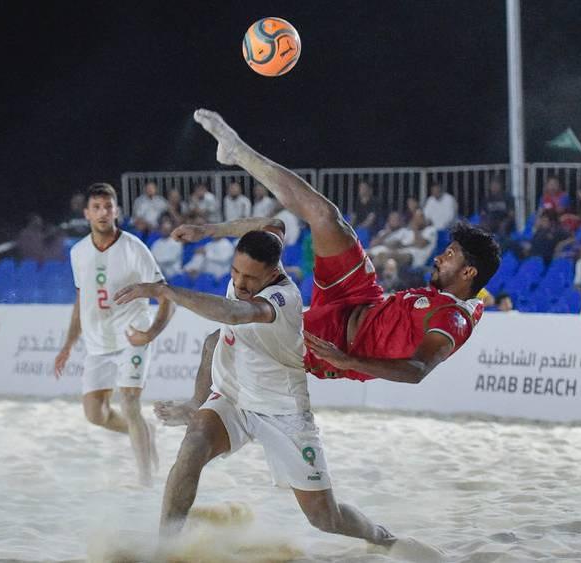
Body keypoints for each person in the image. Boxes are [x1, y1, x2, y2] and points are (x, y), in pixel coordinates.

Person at [113, 229, 398, 547]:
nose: (239, 283)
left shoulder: (282, 298)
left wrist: (161, 290)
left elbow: (233, 314)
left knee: (325, 518)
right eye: (235, 271)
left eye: (250, 277)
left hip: (282, 411)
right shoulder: (248, 276)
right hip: (233, 398)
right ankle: (164, 544)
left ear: (273, 272)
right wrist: (206, 231)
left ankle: (383, 539)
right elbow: (214, 341)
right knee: (193, 446)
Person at [189, 109, 500, 386]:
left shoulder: (453, 320)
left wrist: (347, 361)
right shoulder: (449, 296)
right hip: (361, 295)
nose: (438, 258)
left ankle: (195, 406)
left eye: (448, 256)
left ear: (468, 271)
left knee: (219, 341)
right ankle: (238, 151)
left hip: (339, 345)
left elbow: (417, 370)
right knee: (326, 217)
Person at [53, 183, 176, 486]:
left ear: (117, 210)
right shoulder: (79, 252)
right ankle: (145, 431)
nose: (103, 213)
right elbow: (81, 302)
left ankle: (146, 480)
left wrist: (150, 334)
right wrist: (68, 344)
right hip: (97, 343)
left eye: (108, 206)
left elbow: (167, 297)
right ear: (86, 213)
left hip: (133, 334)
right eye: (96, 207)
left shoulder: (134, 247)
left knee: (129, 401)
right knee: (95, 414)